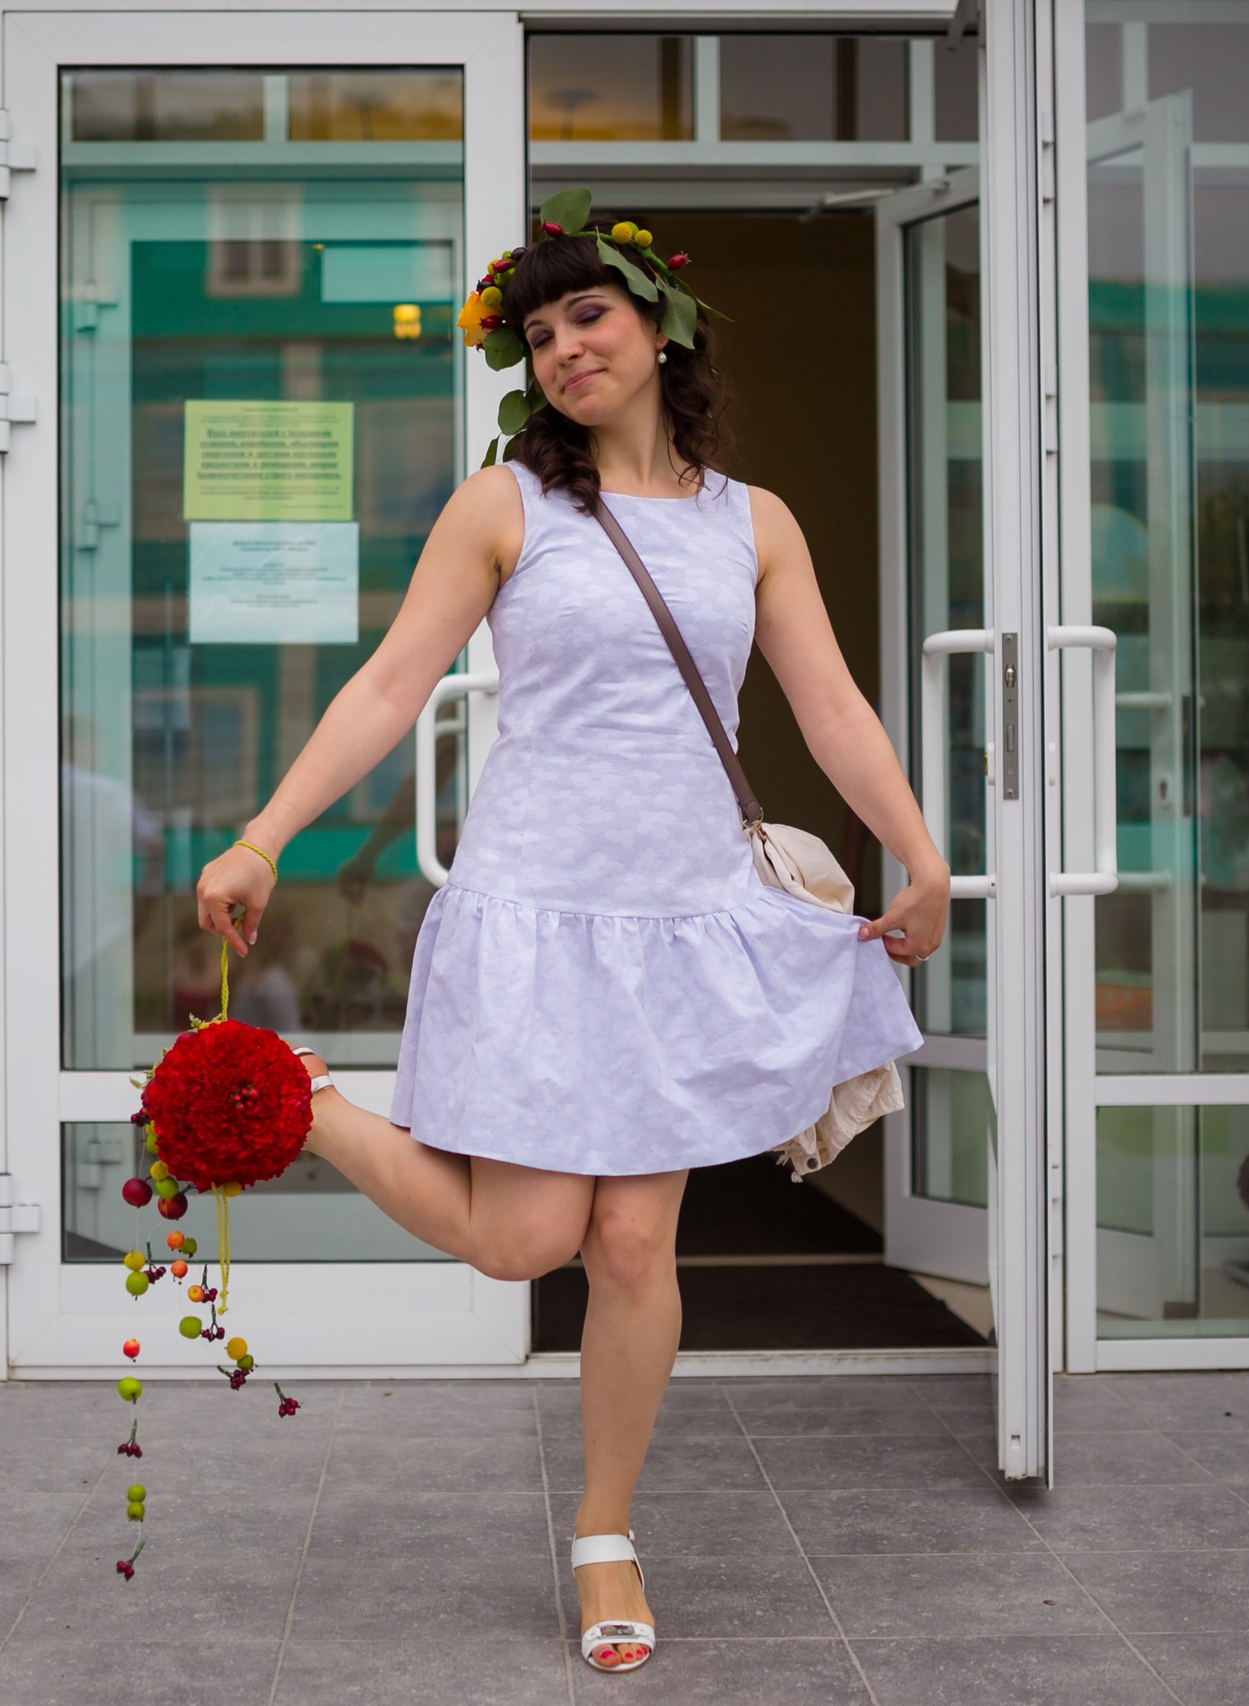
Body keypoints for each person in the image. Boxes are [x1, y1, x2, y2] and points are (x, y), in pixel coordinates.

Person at [193, 210, 952, 1675]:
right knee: (522, 1238)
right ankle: (314, 1098)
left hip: (679, 926)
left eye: (586, 317)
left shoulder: (756, 522)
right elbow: (388, 686)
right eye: (538, 336)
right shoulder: (504, 509)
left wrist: (922, 854)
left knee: (628, 1238)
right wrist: (266, 832)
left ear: (659, 326)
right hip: (538, 919)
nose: (564, 349)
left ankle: (606, 1530)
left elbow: (832, 711)